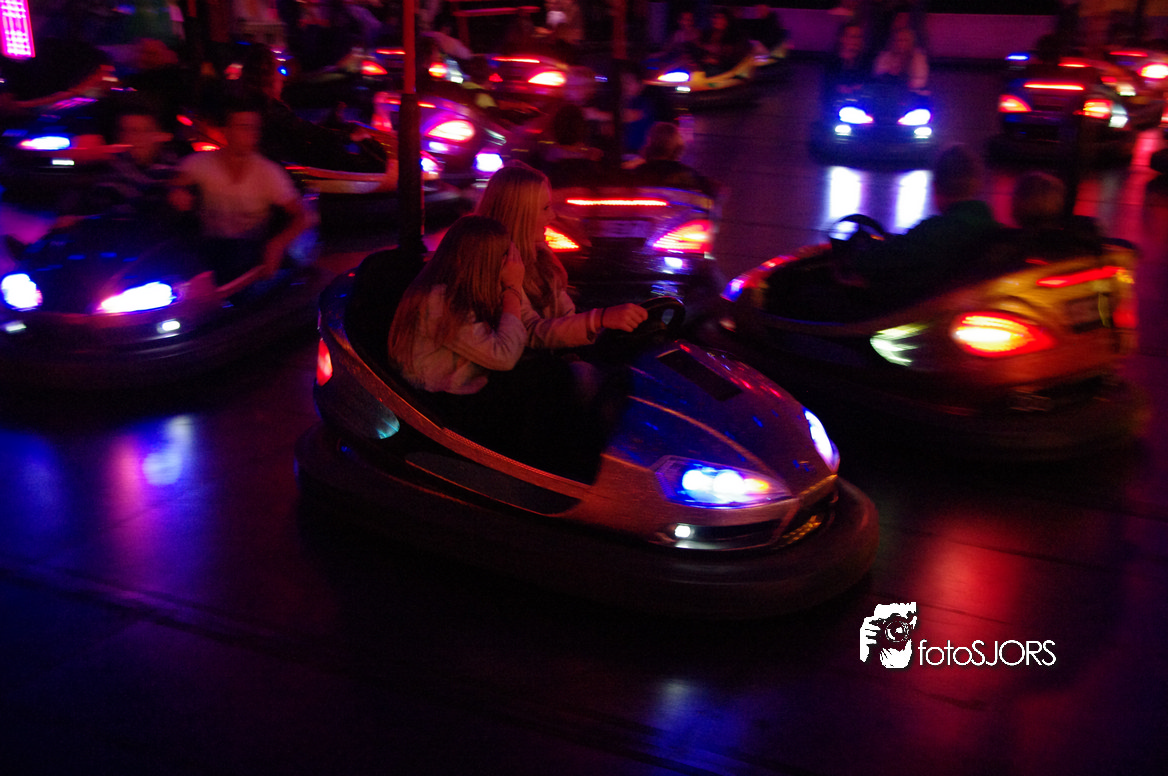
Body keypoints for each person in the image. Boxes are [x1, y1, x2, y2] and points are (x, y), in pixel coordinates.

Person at [474, 162, 648, 350]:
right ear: (520, 213)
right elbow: (528, 333)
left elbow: (566, 316)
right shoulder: (495, 263)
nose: (552, 216)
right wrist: (599, 319)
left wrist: (606, 323)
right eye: (545, 208)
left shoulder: (540, 254)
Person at [168, 94, 313, 295]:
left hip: (250, 253)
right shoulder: (199, 164)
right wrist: (177, 194)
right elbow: (175, 185)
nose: (251, 134)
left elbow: (303, 216)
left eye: (254, 128)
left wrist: (277, 244)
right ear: (226, 131)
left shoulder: (269, 173)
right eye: (243, 127)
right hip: (209, 249)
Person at [841, 144, 1003, 303]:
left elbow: (877, 261)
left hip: (916, 310)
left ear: (936, 187)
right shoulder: (994, 229)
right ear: (976, 186)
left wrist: (853, 256)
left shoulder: (936, 232)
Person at [238, 42, 391, 174]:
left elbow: (300, 130)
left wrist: (330, 124)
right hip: (296, 166)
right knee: (375, 164)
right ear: (267, 77)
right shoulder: (270, 110)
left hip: (295, 160)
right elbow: (307, 133)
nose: (282, 77)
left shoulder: (254, 105)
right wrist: (348, 136)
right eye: (278, 71)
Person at [54, 95, 182, 229]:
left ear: (158, 135)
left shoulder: (174, 169)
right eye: (128, 131)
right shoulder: (106, 169)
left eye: (144, 131)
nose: (135, 138)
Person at [626, 121, 720, 197]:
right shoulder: (689, 175)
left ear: (650, 145)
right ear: (678, 147)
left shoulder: (637, 173)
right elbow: (715, 191)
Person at [822, 21, 868, 104]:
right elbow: (828, 91)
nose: (856, 41)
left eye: (858, 37)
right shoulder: (832, 61)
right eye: (852, 37)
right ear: (842, 38)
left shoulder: (865, 62)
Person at [873, 26, 928, 91]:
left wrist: (906, 83)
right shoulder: (885, 56)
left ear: (911, 42)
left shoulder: (918, 58)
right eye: (898, 40)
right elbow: (877, 73)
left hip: (909, 91)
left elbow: (920, 80)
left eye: (904, 40)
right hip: (887, 89)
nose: (900, 43)